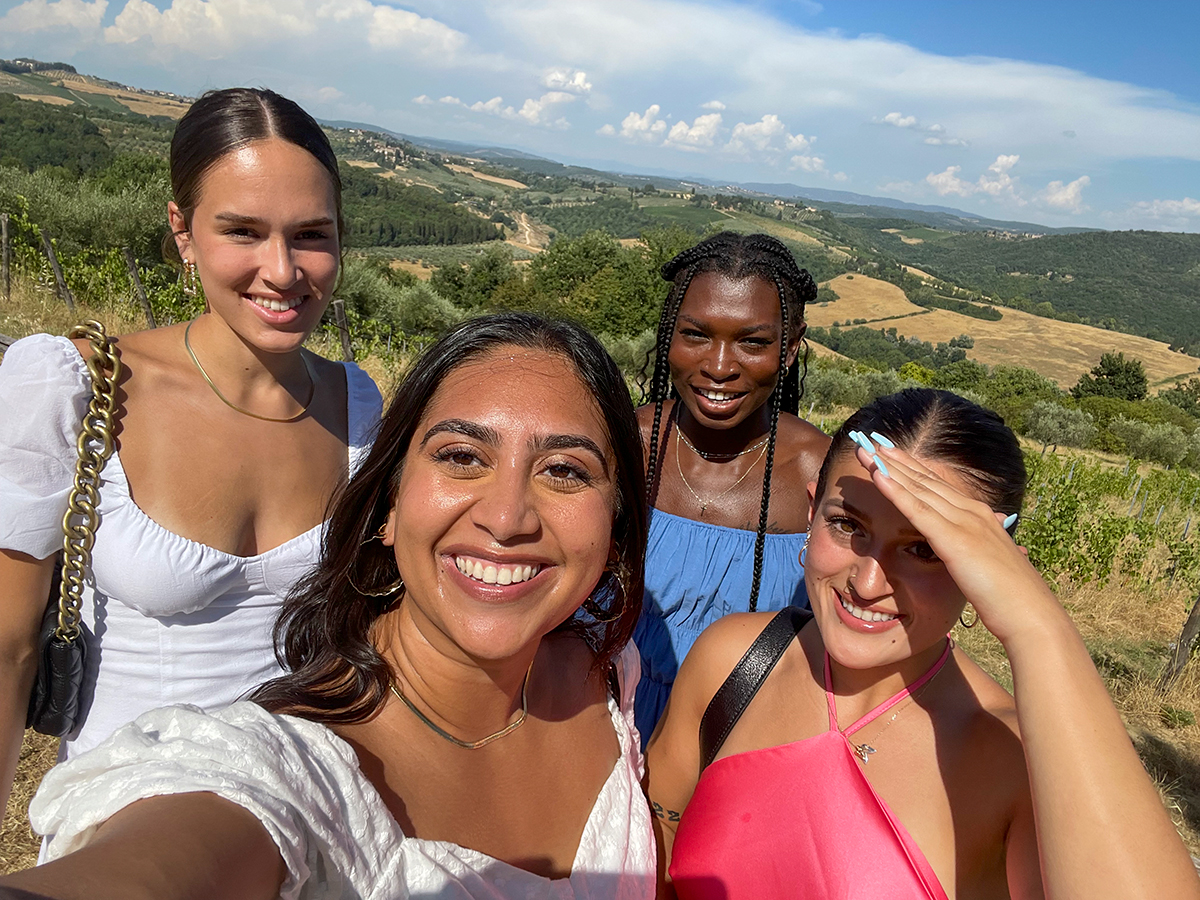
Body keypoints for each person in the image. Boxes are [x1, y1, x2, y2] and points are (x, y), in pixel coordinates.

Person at [0, 313, 656, 900]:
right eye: (461, 457)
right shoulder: (279, 770)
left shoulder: (605, 676)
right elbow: (171, 855)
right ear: (389, 507)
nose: (508, 517)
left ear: (616, 521)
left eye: (566, 470)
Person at [645, 388, 1200, 900]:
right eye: (847, 525)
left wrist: (1038, 627)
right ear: (811, 511)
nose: (867, 584)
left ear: (990, 570)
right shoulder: (732, 661)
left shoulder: (1014, 758)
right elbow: (655, 860)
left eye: (926, 550)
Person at [0, 87, 383, 815]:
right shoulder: (75, 386)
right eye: (242, 231)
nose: (281, 270)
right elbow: (7, 648)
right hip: (119, 830)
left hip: (304, 821)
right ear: (182, 232)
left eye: (311, 234)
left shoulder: (357, 405)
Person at [633, 231, 830, 741]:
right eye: (696, 334)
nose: (719, 367)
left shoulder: (822, 474)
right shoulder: (622, 446)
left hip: (747, 744)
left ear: (790, 348)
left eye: (753, 342)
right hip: (602, 728)